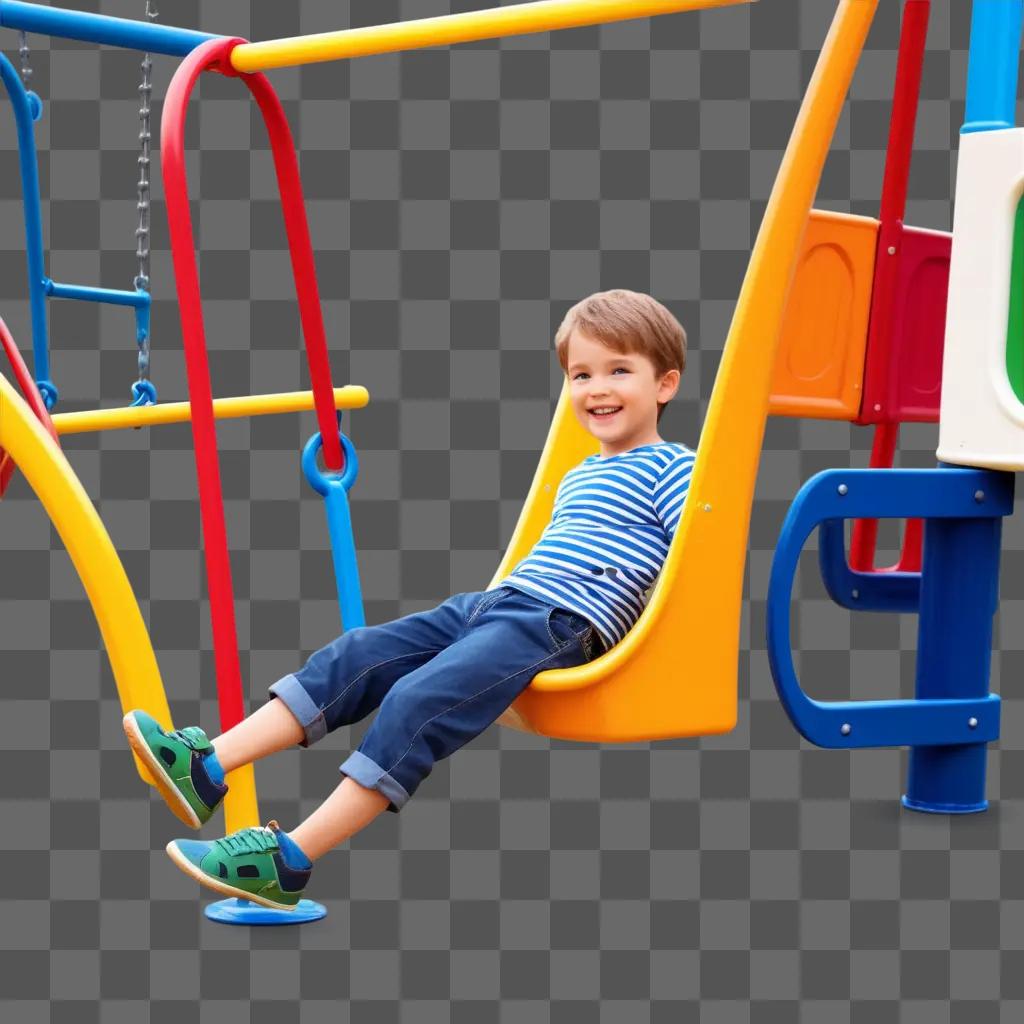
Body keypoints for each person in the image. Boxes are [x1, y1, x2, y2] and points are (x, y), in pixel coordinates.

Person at [123, 288, 697, 910]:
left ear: (665, 385)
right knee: (358, 654)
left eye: (619, 371)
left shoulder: (675, 469)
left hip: (559, 623)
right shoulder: (579, 472)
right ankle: (206, 765)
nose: (596, 388)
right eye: (581, 374)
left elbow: (693, 565)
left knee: (415, 701)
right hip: (498, 602)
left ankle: (287, 862)